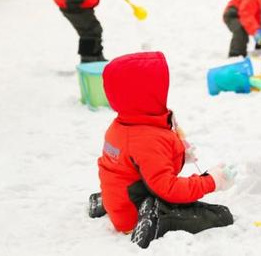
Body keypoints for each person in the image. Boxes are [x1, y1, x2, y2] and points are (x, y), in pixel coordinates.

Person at [97, 51, 234, 249]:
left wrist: (179, 154)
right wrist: (211, 181)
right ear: (145, 94)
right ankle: (155, 220)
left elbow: (137, 164)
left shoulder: (122, 125)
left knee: (126, 185)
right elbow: (168, 188)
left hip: (119, 200)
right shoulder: (146, 138)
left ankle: (110, 203)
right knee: (221, 215)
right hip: (133, 213)